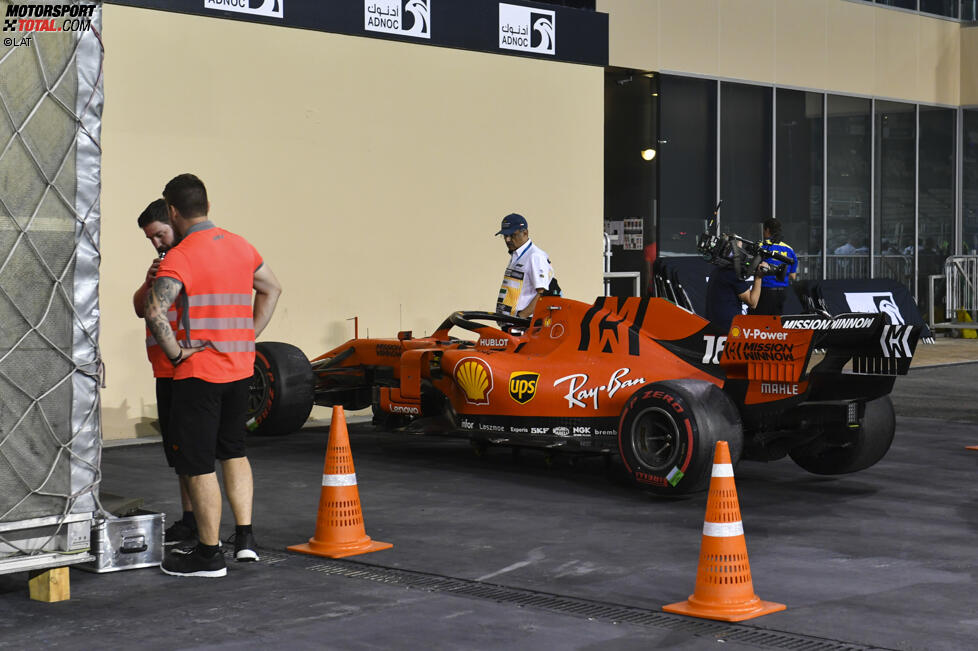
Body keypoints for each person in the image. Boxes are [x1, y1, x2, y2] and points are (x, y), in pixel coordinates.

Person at [145, 173, 282, 578]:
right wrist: (248, 335)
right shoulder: (241, 246)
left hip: (199, 373)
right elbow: (272, 288)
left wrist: (175, 353)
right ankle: (245, 540)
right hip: (240, 368)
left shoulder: (181, 256)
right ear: (206, 205)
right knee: (234, 451)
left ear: (172, 210)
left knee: (199, 462)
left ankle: (208, 554)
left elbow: (154, 311)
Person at [132, 199, 198, 550]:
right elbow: (140, 308)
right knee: (179, 454)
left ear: (173, 221)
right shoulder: (163, 265)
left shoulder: (187, 261)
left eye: (159, 234)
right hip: (165, 370)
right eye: (151, 239)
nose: (157, 243)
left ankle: (201, 523)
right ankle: (190, 520)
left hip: (186, 369)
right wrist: (148, 283)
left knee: (193, 453)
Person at [495, 213, 555, 319]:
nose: (507, 240)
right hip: (510, 324)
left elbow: (543, 294)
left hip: (523, 326)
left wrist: (521, 317)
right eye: (505, 236)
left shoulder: (535, 256)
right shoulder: (516, 254)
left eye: (512, 235)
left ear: (525, 233)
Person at [705, 242, 768, 333]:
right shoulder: (732, 273)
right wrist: (758, 277)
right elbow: (752, 302)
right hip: (728, 329)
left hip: (713, 325)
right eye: (740, 248)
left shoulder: (718, 270)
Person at [750, 218, 797, 316]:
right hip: (782, 292)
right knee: (776, 323)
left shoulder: (761, 246)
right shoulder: (789, 249)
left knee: (759, 322)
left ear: (767, 230)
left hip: (764, 291)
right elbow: (793, 276)